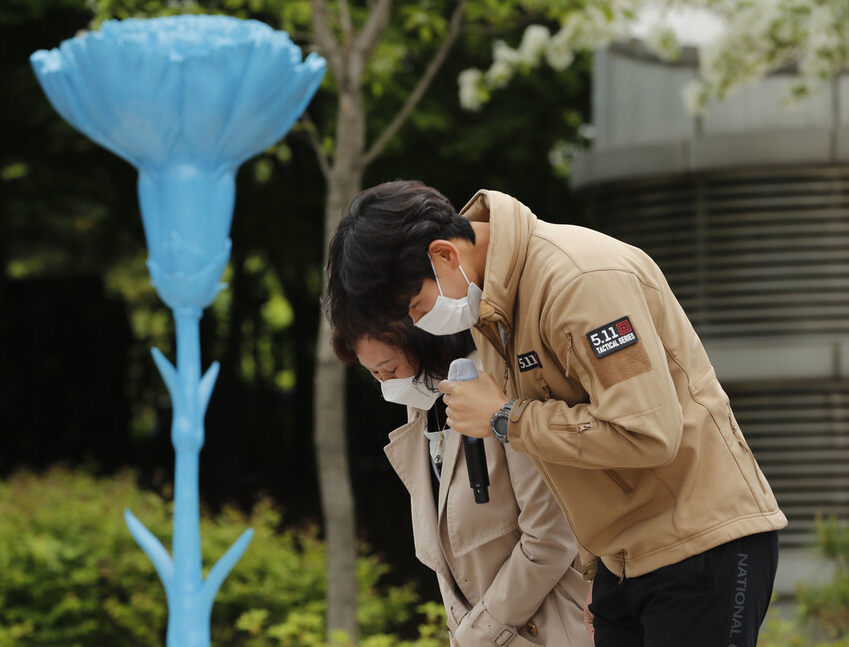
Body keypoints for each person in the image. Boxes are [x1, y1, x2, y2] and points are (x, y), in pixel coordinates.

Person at [324, 180, 787, 647]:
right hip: (622, 559)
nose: (422, 323)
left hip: (698, 542)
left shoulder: (579, 279)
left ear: (444, 254)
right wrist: (597, 566)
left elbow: (647, 432)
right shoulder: (492, 310)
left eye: (416, 306)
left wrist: (505, 417)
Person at [330, 320, 590, 646]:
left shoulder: (495, 377)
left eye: (389, 369)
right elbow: (443, 554)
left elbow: (551, 535)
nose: (387, 384)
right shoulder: (421, 402)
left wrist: (480, 631)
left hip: (550, 628)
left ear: (416, 337)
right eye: (375, 375)